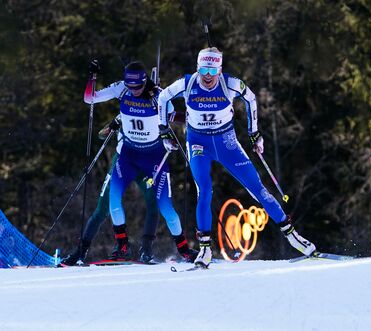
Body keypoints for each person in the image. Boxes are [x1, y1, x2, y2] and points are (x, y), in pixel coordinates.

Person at [157, 47, 316, 267]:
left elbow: (251, 99)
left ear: (220, 70)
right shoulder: (188, 83)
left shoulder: (229, 83)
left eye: (212, 70)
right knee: (204, 189)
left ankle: (293, 236)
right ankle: (205, 250)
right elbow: (163, 97)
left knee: (258, 188)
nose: (208, 76)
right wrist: (163, 129)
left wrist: (254, 133)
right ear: (197, 68)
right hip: (198, 143)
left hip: (227, 143)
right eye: (204, 69)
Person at [81, 60, 197, 262]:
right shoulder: (121, 88)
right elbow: (90, 98)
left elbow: (173, 117)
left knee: (165, 207)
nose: (134, 91)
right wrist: (92, 78)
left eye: (138, 87)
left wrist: (193, 116)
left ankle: (185, 250)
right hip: (128, 154)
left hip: (154, 156)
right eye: (130, 86)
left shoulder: (159, 96)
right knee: (113, 201)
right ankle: (122, 245)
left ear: (145, 82)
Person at [62, 116, 160, 265]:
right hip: (121, 162)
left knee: (155, 202)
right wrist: (111, 128)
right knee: (102, 208)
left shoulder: (155, 108)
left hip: (145, 164)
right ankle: (81, 252)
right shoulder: (126, 108)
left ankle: (146, 251)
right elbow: (101, 134)